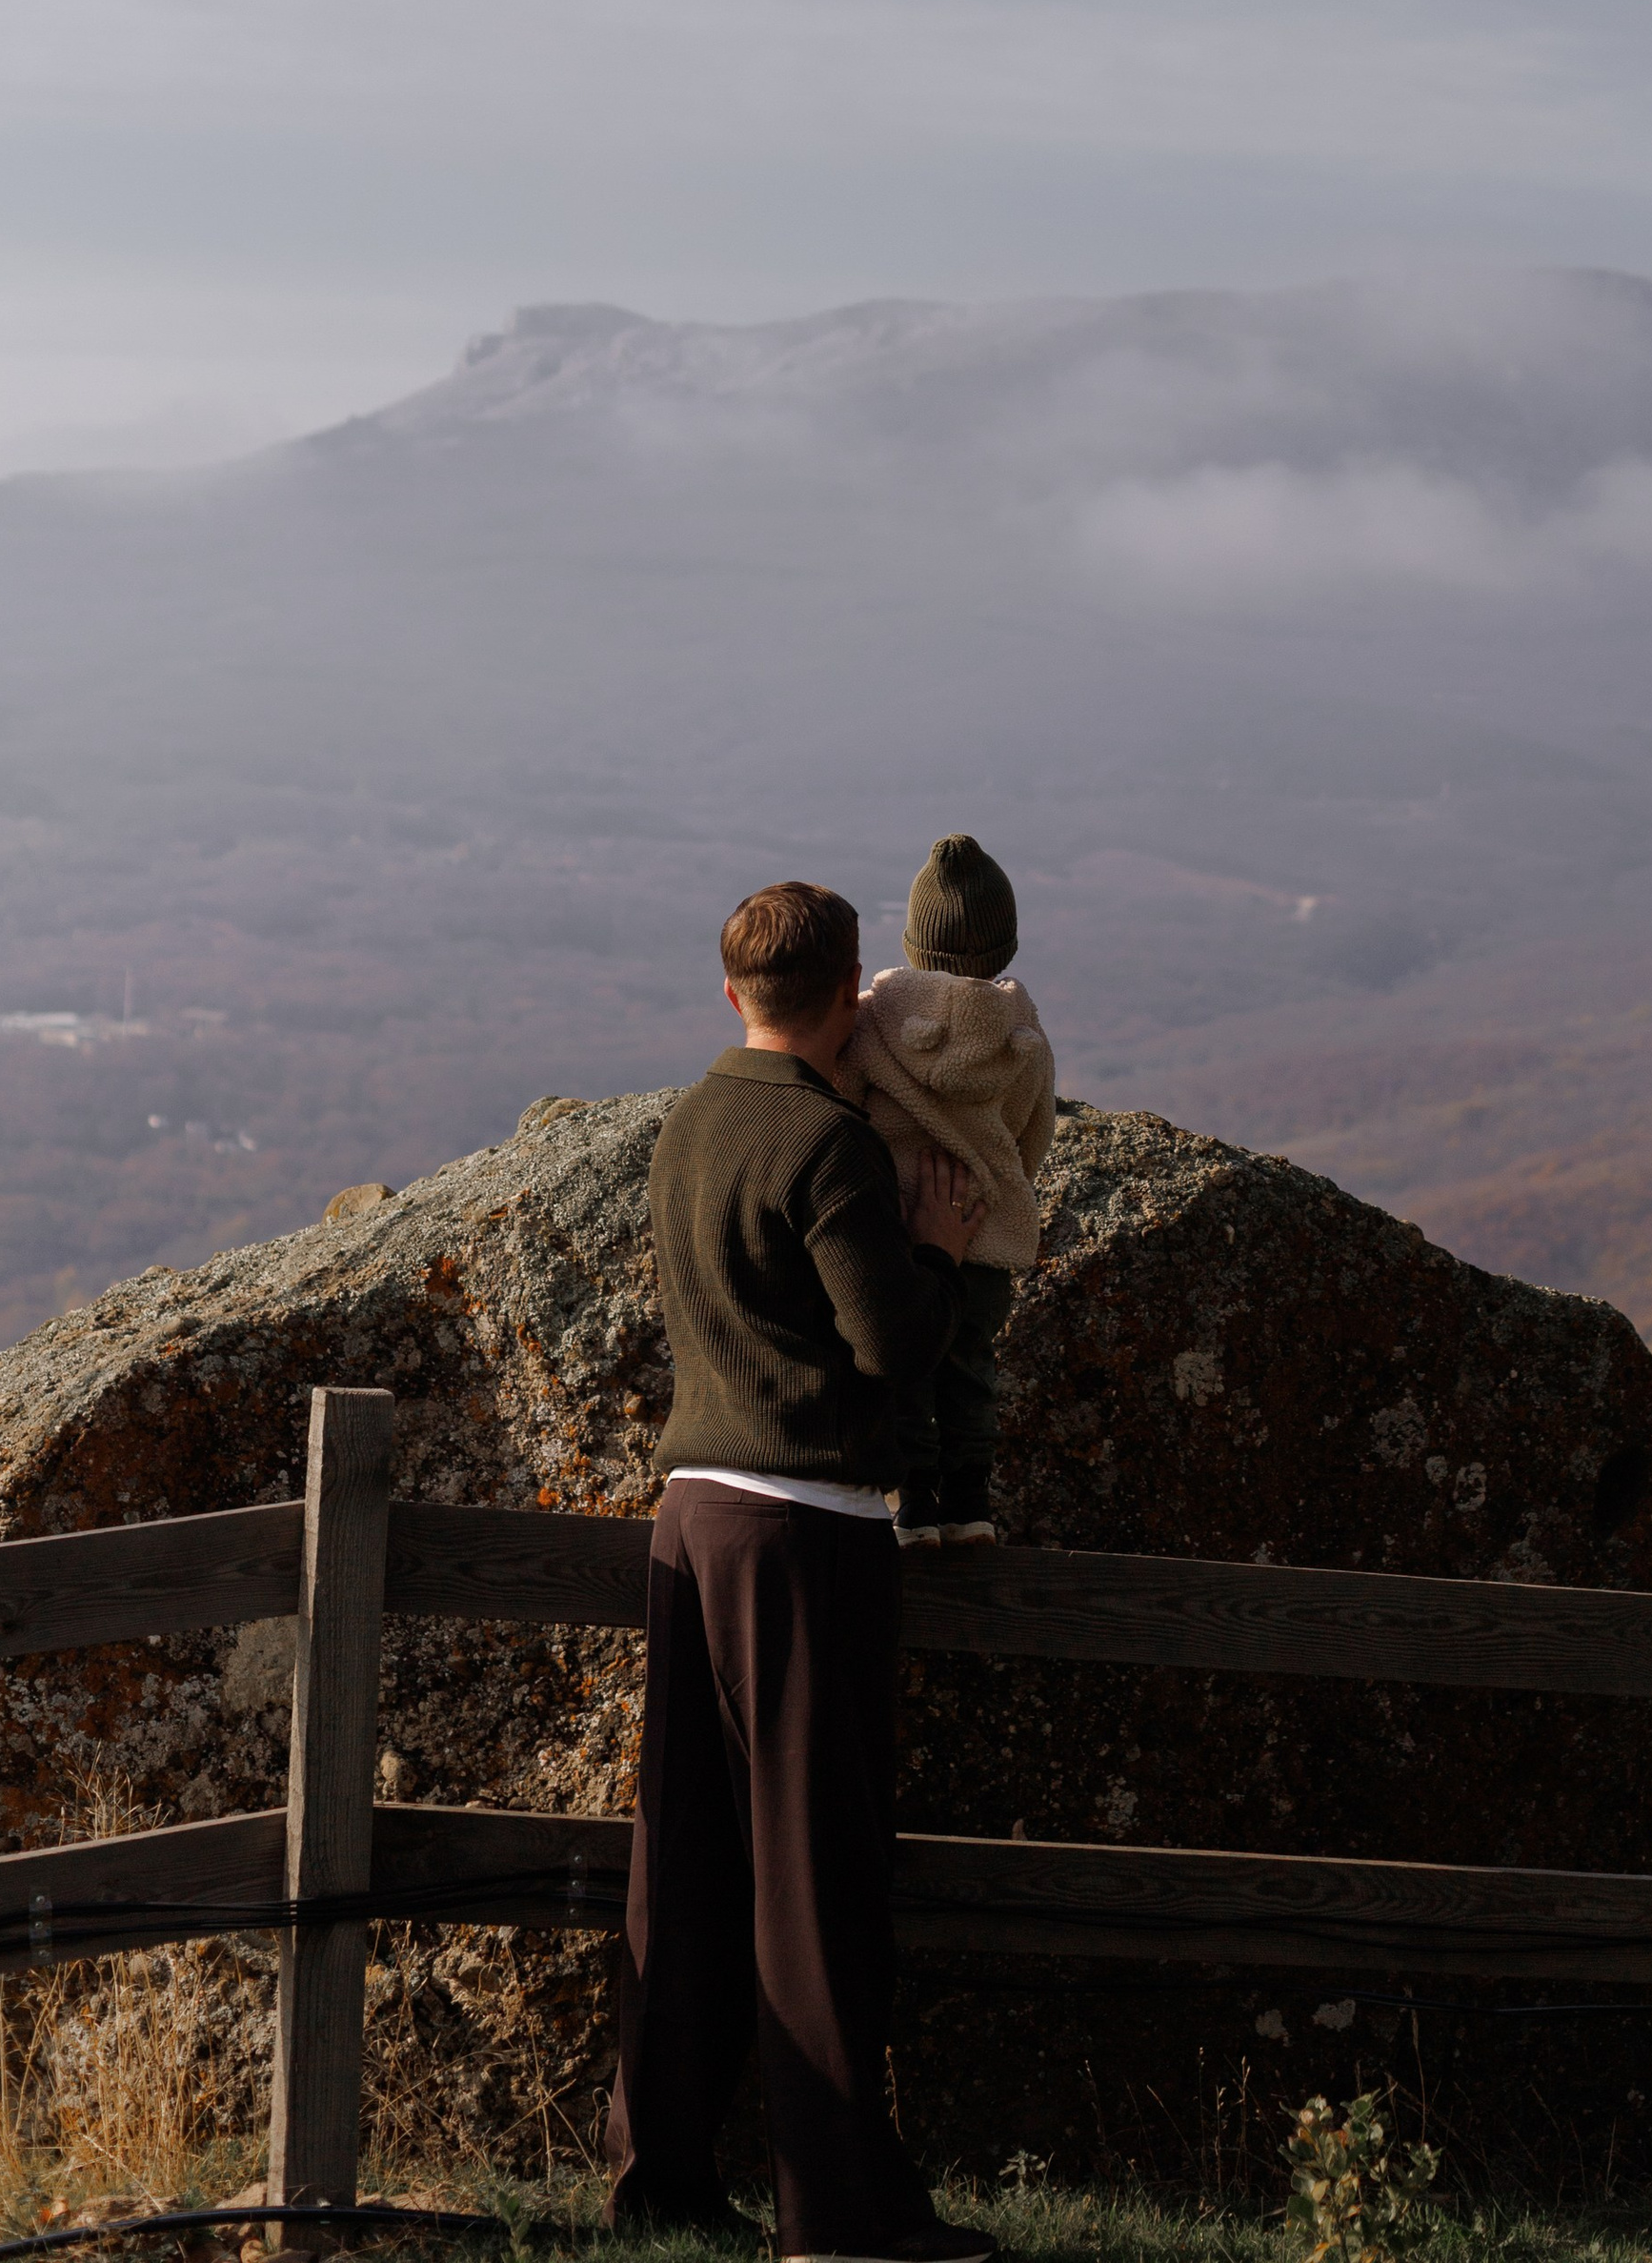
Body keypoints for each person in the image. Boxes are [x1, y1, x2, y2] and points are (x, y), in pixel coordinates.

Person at [608, 877, 997, 2263]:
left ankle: (660, 2179)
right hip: (803, 1526)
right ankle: (838, 2216)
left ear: (732, 995)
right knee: (816, 1877)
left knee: (688, 1861)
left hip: (689, 1518)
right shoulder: (829, 1145)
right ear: (850, 999)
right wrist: (942, 1254)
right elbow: (893, 1346)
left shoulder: (689, 1125)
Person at [841, 833, 1055, 1549]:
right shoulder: (1022, 1034)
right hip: (986, 1232)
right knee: (971, 1373)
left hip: (900, 1228)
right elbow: (1033, 1133)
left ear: (912, 939)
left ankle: (916, 1506)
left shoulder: (874, 1020)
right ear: (1008, 946)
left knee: (906, 1368)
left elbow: (843, 1102)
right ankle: (972, 1504)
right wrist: (1002, 1190)